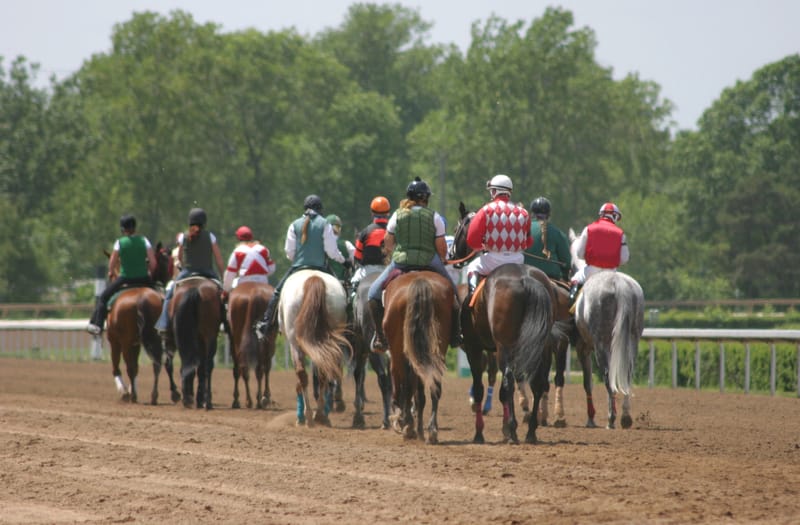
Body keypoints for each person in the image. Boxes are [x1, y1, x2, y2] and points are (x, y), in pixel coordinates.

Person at [367, 177, 461, 351]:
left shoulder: (397, 214)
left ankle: (380, 337)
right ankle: (456, 334)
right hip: (429, 261)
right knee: (454, 294)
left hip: (401, 262)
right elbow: (441, 247)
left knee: (372, 293)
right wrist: (443, 257)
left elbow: (388, 243)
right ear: (426, 198)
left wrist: (394, 252)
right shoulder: (435, 217)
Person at [256, 194, 347, 338]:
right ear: (320, 209)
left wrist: (299, 258)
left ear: (305, 208)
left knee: (277, 293)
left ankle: (266, 324)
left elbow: (289, 252)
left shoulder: (294, 224)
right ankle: (349, 324)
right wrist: (343, 261)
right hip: (322, 268)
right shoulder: (325, 224)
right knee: (341, 291)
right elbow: (331, 252)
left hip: (298, 267)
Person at [155, 207, 226, 333]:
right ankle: (226, 323)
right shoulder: (211, 237)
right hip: (207, 271)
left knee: (169, 294)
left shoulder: (183, 236)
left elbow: (180, 257)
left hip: (188, 272)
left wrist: (183, 265)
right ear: (204, 222)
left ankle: (164, 324)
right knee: (222, 295)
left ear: (190, 221)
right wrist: (222, 276)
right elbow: (219, 259)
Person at [465, 174, 533, 299]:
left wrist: (483, 246)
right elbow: (528, 243)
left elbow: (471, 241)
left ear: (495, 191)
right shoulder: (524, 213)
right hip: (517, 260)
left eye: (492, 191)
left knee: (472, 267)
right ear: (509, 192)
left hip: (493, 260)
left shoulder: (486, 210)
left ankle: (471, 297)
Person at [86, 214, 157, 335]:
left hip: (125, 278)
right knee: (161, 297)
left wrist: (111, 272)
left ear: (122, 229)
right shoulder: (144, 240)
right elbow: (153, 263)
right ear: (135, 227)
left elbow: (112, 264)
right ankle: (165, 327)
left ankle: (97, 325)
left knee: (103, 298)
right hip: (144, 278)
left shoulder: (119, 243)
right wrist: (149, 273)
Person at [569, 202, 630, 302]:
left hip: (591, 271)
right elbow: (624, 259)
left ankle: (571, 307)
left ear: (601, 214)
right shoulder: (621, 233)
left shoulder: (588, 229)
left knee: (574, 279)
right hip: (611, 273)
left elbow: (579, 254)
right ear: (615, 216)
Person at [523, 196, 572, 282]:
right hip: (550, 278)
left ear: (531, 213)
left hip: (524, 275)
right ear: (549, 214)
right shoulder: (557, 233)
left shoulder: (521, 229)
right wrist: (565, 275)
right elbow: (566, 261)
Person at [221, 225, 276, 298]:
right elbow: (272, 268)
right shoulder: (263, 249)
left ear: (238, 238)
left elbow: (230, 274)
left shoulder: (237, 251)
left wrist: (226, 291)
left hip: (244, 282)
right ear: (251, 237)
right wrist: (260, 275)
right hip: (263, 281)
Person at [350, 196, 391, 292]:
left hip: (367, 270)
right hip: (387, 271)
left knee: (354, 284)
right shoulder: (392, 231)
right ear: (388, 213)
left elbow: (357, 257)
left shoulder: (365, 232)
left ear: (372, 213)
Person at [325, 214, 355, 286]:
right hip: (343, 283)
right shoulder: (347, 244)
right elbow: (355, 262)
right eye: (337, 227)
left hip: (324, 281)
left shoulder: (321, 245)